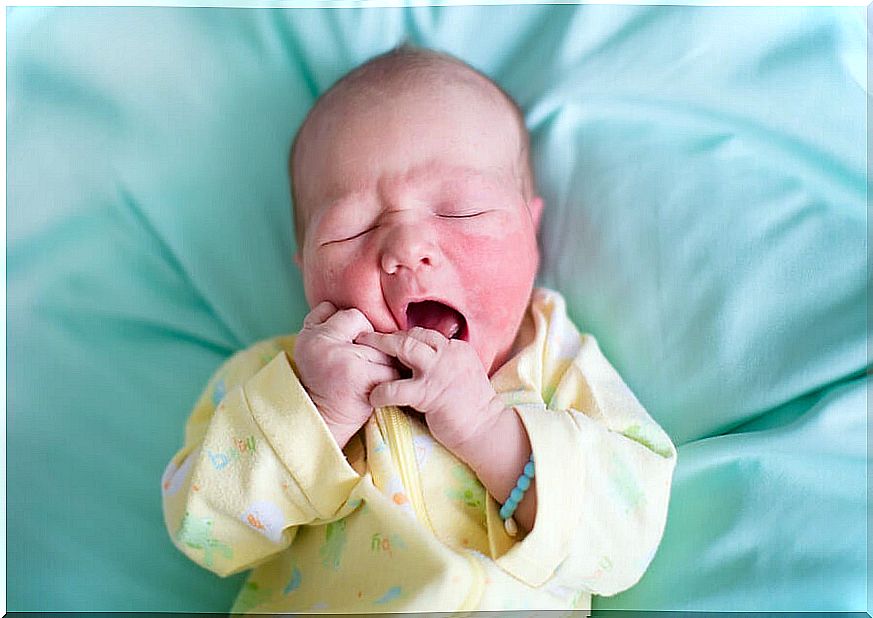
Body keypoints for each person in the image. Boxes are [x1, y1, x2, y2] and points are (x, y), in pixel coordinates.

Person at [161, 44, 677, 614]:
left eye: (462, 211)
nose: (407, 248)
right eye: (351, 229)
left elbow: (628, 536)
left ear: (532, 233)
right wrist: (316, 415)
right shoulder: (277, 383)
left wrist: (491, 433)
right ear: (305, 267)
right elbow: (205, 535)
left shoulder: (558, 363)